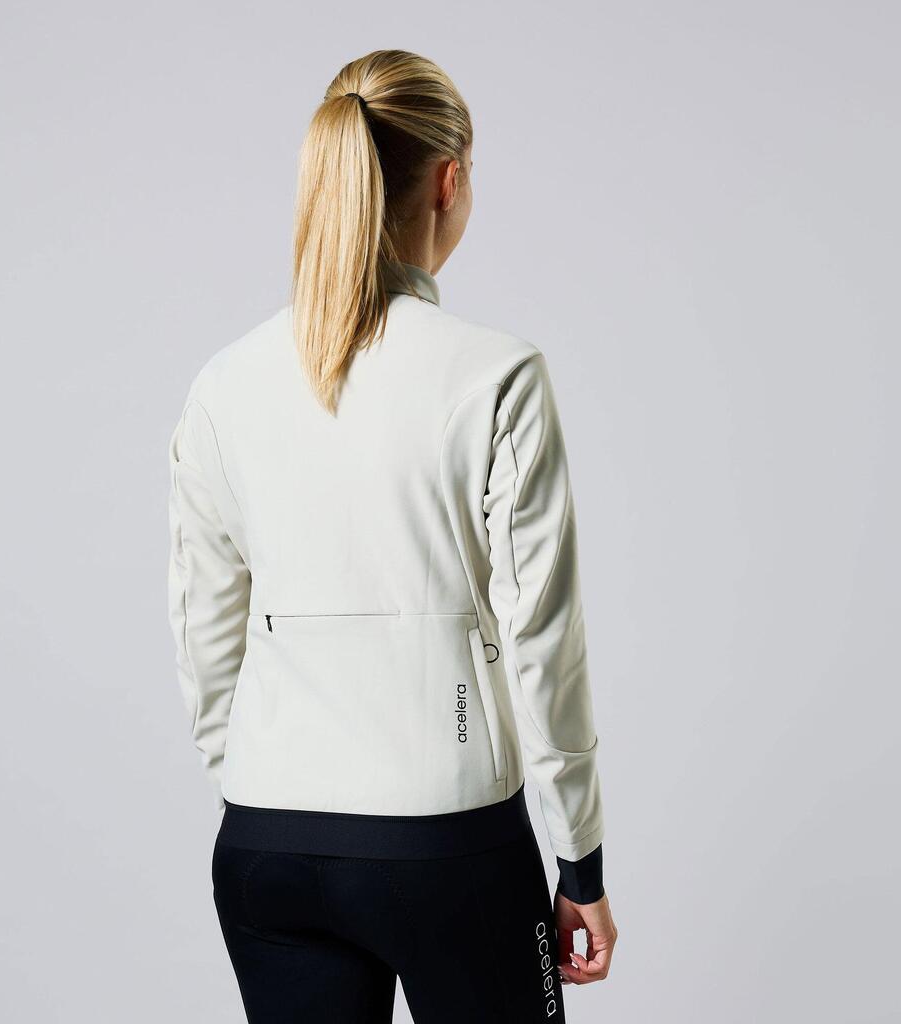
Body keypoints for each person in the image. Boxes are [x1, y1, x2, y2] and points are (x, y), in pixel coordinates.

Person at [166, 48, 618, 1024]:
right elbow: (542, 639)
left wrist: (264, 782)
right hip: (447, 845)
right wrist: (578, 857)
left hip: (268, 843)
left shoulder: (222, 386)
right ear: (448, 182)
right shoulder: (495, 376)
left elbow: (204, 632)